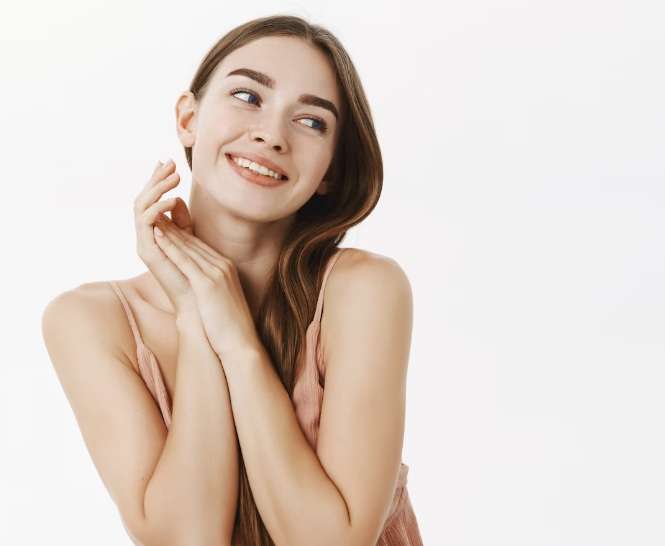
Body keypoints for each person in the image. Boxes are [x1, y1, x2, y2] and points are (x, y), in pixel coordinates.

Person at [41, 14, 423, 546]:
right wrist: (197, 318)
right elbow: (189, 537)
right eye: (248, 96)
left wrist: (237, 338)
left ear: (331, 171)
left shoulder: (364, 290)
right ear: (188, 119)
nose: (271, 134)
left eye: (311, 121)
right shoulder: (89, 320)